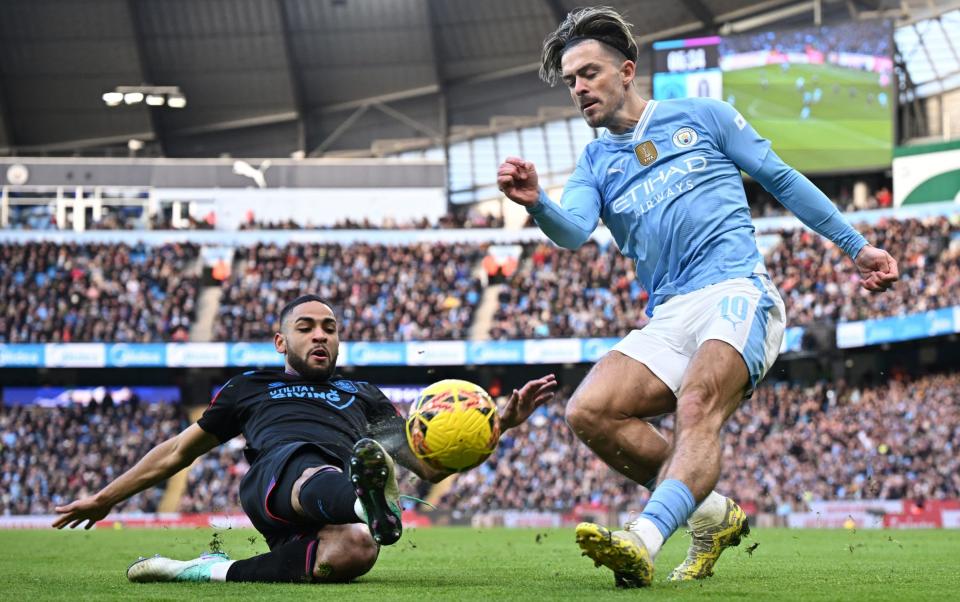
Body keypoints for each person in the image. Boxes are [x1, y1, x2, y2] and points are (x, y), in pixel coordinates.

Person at [497, 7, 898, 588]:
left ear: (626, 70)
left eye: (589, 73)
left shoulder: (701, 116)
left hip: (737, 290)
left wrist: (856, 247)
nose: (580, 88)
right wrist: (536, 203)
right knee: (589, 410)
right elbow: (574, 232)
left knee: (696, 406)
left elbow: (780, 177)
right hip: (669, 312)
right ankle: (709, 513)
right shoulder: (595, 161)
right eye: (571, 82)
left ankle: (643, 539)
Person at [53, 294, 557, 584]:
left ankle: (207, 570)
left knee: (357, 551)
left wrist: (502, 424)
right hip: (276, 478)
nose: (320, 335)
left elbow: (425, 465)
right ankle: (365, 503)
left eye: (330, 328)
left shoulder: (363, 394)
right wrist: (105, 498)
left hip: (332, 505)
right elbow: (178, 452)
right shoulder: (251, 388)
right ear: (281, 342)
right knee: (316, 464)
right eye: (306, 327)